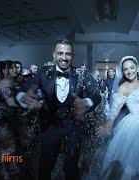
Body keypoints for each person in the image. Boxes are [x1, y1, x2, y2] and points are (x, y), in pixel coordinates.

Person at [17, 39, 101, 180]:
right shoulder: (44, 72)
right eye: (60, 53)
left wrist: (86, 103)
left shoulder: (82, 74)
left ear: (72, 56)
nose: (64, 57)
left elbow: (96, 95)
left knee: (71, 168)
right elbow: (23, 88)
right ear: (54, 55)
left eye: (67, 54)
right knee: (45, 166)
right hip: (50, 127)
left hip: (74, 127)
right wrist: (23, 96)